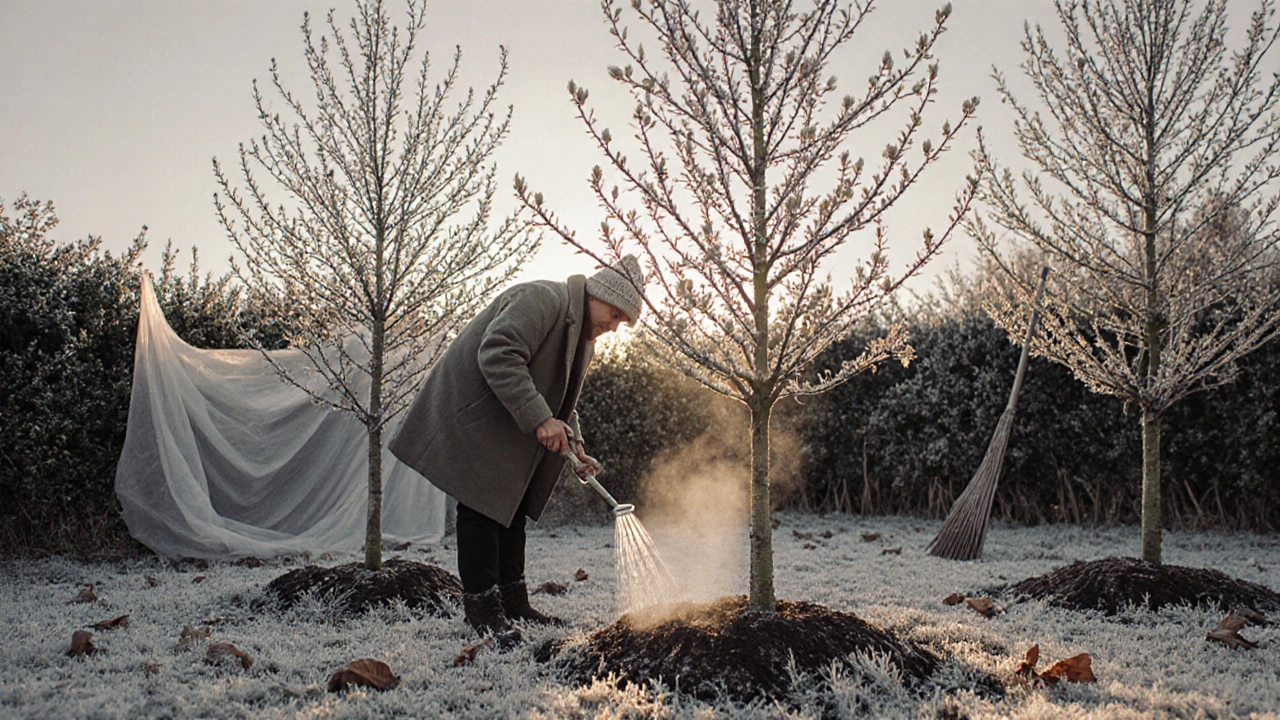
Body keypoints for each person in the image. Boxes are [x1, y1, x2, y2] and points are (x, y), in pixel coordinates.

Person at [389, 255, 645, 646]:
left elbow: (561, 397)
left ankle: (513, 602)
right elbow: (498, 353)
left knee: (511, 511)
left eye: (620, 323)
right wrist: (540, 419)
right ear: (598, 294)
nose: (613, 327)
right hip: (474, 412)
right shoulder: (542, 299)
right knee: (480, 507)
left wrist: (573, 443)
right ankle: (482, 609)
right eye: (613, 315)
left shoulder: (581, 335)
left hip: (507, 419)